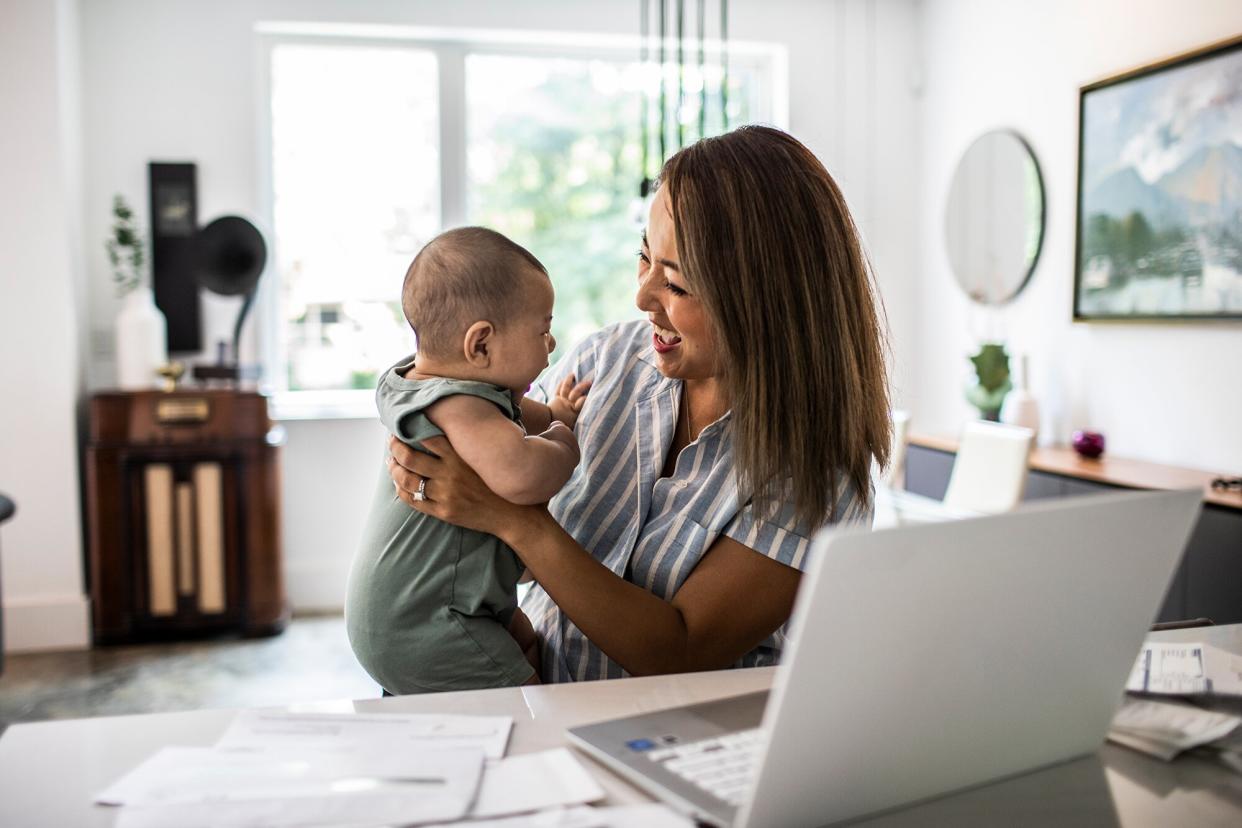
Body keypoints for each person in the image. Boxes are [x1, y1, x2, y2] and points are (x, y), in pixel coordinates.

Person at [385, 126, 891, 683]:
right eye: (643, 259)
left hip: (683, 743)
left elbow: (679, 650)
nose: (643, 296)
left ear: (764, 301)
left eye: (675, 284)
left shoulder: (812, 471)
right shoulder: (603, 364)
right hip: (539, 711)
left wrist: (512, 518)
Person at [346, 226, 590, 694]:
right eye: (543, 329)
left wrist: (553, 412)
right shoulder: (462, 408)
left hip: (398, 613)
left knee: (523, 640)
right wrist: (565, 441)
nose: (552, 344)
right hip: (429, 624)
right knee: (523, 704)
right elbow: (521, 476)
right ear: (480, 345)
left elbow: (518, 414)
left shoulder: (432, 387)